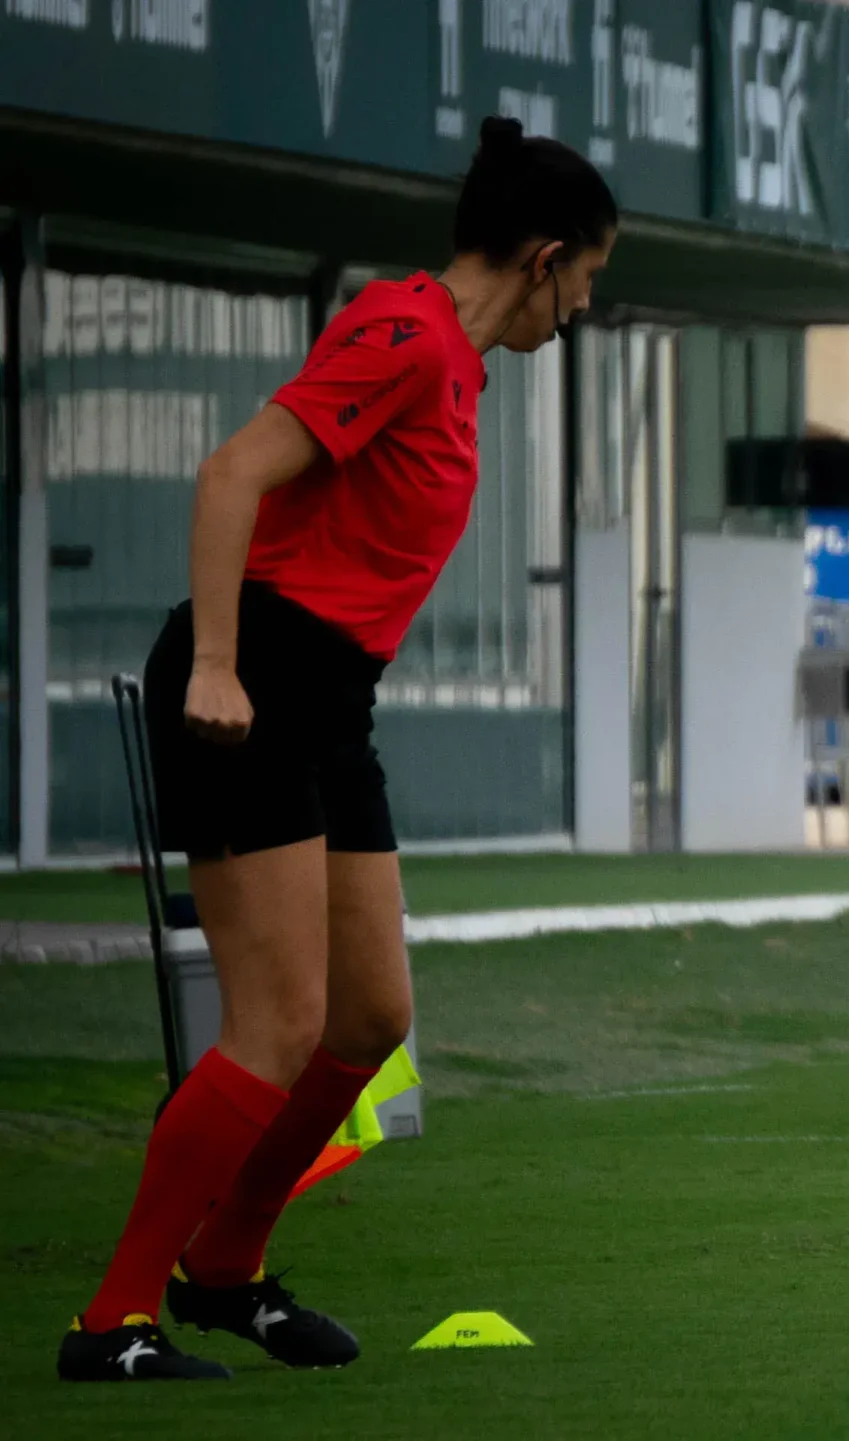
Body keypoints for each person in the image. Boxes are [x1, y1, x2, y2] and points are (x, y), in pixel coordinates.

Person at [59, 117, 615, 1383]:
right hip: (247, 674)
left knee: (368, 1017)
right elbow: (229, 475)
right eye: (586, 279)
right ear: (542, 257)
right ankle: (110, 1318)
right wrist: (211, 663)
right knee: (278, 1025)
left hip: (329, 698)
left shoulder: (459, 365)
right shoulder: (404, 335)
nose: (582, 308)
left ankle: (226, 1271)